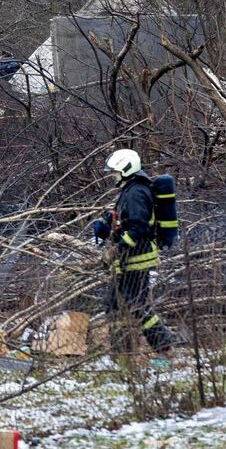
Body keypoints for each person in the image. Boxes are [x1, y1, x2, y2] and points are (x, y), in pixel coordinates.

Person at [92, 148, 173, 361]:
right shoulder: (130, 190)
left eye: (115, 171)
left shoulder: (136, 192)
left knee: (137, 305)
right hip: (127, 260)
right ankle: (122, 354)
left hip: (137, 259)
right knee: (113, 304)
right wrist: (106, 225)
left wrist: (117, 249)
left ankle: (164, 349)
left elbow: (138, 227)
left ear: (126, 169)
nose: (113, 175)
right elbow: (125, 221)